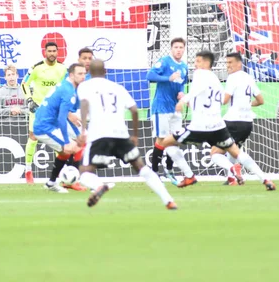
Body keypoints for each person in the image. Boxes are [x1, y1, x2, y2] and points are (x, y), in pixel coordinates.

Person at [158, 50, 275, 191]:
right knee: (235, 151)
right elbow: (219, 100)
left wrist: (183, 100)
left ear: (206, 63)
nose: (195, 64)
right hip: (220, 126)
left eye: (197, 61)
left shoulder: (200, 74)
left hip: (200, 126)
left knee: (164, 142)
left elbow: (200, 91)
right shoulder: (217, 79)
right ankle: (265, 179)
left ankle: (190, 175)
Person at [78, 59, 178, 210]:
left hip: (99, 135)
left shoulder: (85, 86)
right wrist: (135, 135)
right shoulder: (118, 87)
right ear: (105, 72)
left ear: (89, 73)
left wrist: (83, 130)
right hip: (121, 135)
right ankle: (168, 200)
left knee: (85, 173)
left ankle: (99, 186)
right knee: (142, 168)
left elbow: (84, 104)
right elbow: (134, 110)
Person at [147, 37, 196, 187]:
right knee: (161, 140)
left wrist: (181, 94)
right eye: (176, 47)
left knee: (175, 140)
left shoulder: (184, 67)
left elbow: (181, 85)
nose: (178, 50)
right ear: (171, 48)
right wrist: (168, 77)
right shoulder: (165, 61)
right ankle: (154, 173)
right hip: (161, 107)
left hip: (175, 108)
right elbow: (150, 76)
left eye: (181, 47)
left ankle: (169, 170)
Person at [33, 63, 86, 193]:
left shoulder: (66, 86)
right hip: (45, 126)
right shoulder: (68, 91)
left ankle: (51, 183)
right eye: (80, 74)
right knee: (75, 147)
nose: (83, 77)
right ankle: (71, 180)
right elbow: (62, 118)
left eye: (84, 73)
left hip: (48, 123)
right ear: (72, 75)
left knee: (68, 150)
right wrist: (67, 141)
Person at [222, 52, 272, 188]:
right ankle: (232, 178)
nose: (228, 66)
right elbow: (261, 100)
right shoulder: (249, 78)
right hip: (247, 123)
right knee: (234, 149)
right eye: (227, 63)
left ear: (239, 63)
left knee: (216, 152)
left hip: (232, 120)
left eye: (230, 63)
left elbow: (224, 100)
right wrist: (247, 105)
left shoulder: (232, 78)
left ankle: (235, 170)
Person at [21, 41, 67, 185]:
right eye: (49, 51)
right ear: (45, 52)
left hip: (54, 110)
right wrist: (29, 100)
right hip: (38, 108)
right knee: (33, 137)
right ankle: (28, 171)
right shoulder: (36, 68)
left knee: (57, 140)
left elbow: (66, 87)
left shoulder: (63, 69)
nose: (52, 53)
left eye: (54, 51)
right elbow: (24, 83)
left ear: (57, 52)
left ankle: (58, 174)